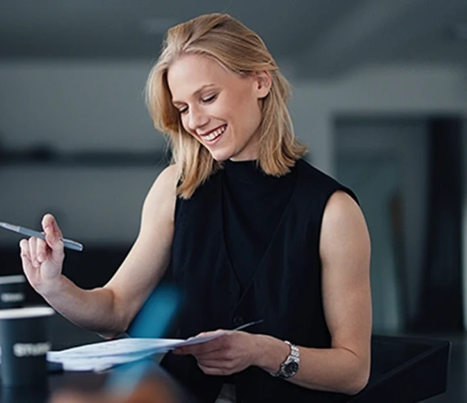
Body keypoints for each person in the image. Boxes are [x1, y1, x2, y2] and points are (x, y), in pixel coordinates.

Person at [19, 13, 371, 402]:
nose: (195, 121)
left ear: (260, 81)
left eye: (207, 98)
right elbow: (115, 308)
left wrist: (264, 351)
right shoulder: (175, 187)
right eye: (183, 108)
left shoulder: (333, 211)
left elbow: (353, 370)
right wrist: (53, 286)